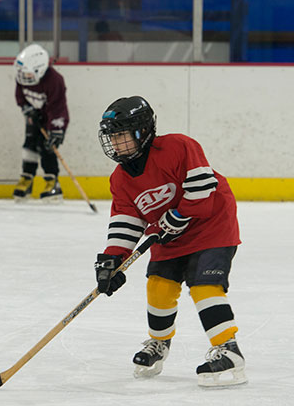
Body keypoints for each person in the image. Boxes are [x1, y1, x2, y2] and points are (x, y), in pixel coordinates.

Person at [94, 96, 247, 387]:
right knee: (159, 286)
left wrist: (176, 217)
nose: (116, 144)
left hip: (211, 225)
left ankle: (229, 348)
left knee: (203, 284)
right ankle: (159, 344)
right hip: (170, 234)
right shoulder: (120, 178)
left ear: (143, 131)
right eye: (112, 137)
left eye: (122, 135)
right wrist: (113, 258)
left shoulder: (178, 146)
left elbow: (202, 189)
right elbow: (127, 219)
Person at [12, 44, 69, 202]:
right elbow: (20, 95)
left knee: (47, 148)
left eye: (28, 75)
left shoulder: (55, 80)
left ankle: (52, 182)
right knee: (29, 145)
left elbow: (58, 107)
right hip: (34, 117)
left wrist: (57, 129)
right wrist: (26, 108)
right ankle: (27, 178)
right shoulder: (22, 78)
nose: (24, 78)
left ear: (40, 69)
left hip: (52, 120)